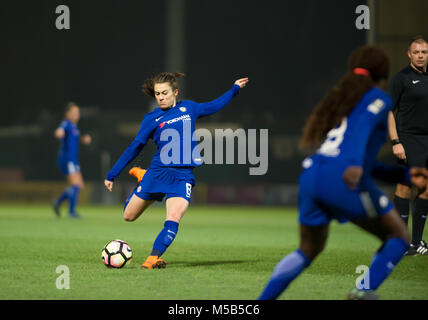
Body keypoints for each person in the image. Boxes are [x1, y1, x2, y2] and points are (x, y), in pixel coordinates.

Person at [257, 46, 428, 300]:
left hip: (312, 175)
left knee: (308, 249)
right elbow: (359, 147)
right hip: (344, 176)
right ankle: (363, 291)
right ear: (382, 72)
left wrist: (403, 176)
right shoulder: (378, 99)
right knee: (398, 236)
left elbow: (352, 153)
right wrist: (356, 166)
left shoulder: (341, 100)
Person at [104, 72, 248, 269]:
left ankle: (152, 258)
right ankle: (143, 175)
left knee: (174, 218)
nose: (161, 97)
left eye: (164, 93)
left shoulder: (188, 108)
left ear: (175, 92)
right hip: (158, 172)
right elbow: (135, 147)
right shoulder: (151, 119)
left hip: (182, 176)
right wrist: (113, 174)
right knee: (128, 216)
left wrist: (234, 89)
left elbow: (214, 106)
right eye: (157, 94)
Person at [388, 35, 428, 256]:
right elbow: (388, 112)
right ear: (409, 54)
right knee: (405, 187)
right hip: (408, 139)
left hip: (427, 140)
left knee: (426, 188)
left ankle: (416, 242)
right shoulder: (401, 78)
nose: (421, 56)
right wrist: (396, 142)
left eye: (424, 52)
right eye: (417, 52)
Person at [53, 102, 92, 218]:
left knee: (78, 185)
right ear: (67, 114)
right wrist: (59, 133)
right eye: (74, 112)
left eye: (78, 112)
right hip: (67, 159)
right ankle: (71, 212)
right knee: (77, 185)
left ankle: (58, 202)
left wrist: (82, 139)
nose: (77, 114)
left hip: (72, 160)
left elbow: (72, 139)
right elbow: (60, 130)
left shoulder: (74, 127)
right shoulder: (67, 124)